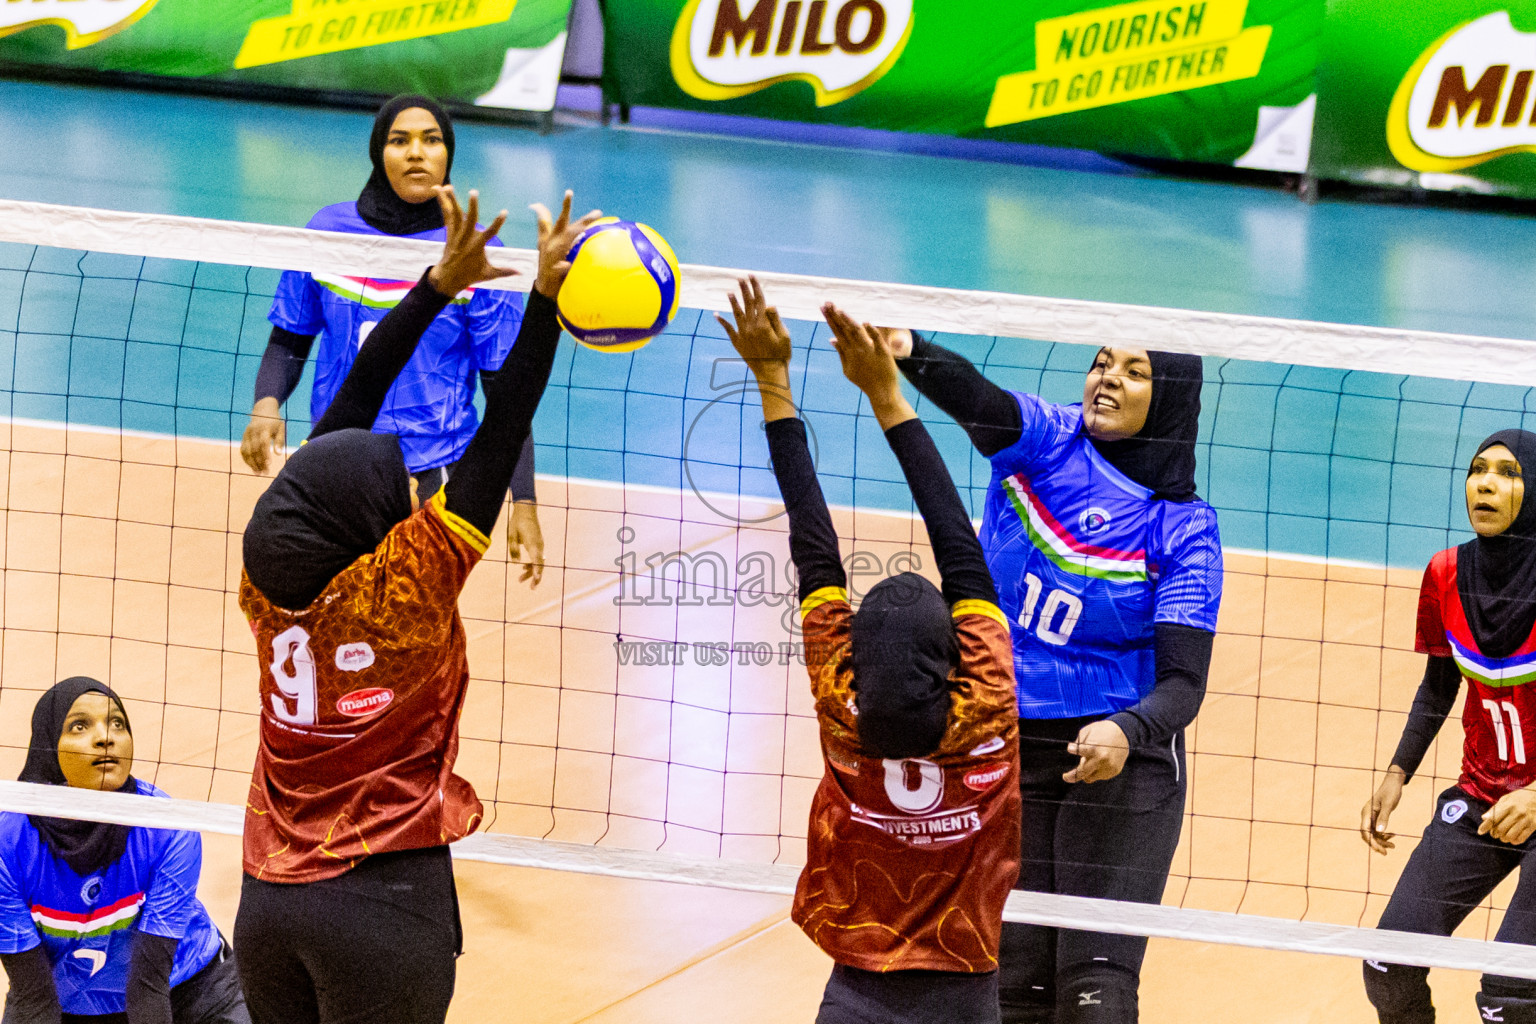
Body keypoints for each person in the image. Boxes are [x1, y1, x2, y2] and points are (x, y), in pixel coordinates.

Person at [231, 185, 598, 1024]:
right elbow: (503, 428)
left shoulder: (266, 583)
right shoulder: (408, 588)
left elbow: (344, 415)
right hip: (383, 902)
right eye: (393, 482)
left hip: (266, 900)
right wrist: (542, 300)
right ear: (365, 520)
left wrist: (435, 286)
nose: (406, 480)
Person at [885, 335, 1222, 1023]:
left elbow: (1184, 684)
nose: (1108, 379)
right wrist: (907, 348)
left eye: (1135, 372)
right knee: (1015, 988)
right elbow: (978, 401)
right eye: (1102, 363)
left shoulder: (1183, 527)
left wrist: (1127, 729)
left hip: (1120, 761)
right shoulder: (1048, 439)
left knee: (1094, 995)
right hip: (1010, 746)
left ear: (1171, 398)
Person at [719, 278, 1021, 1024]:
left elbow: (811, 550)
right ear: (954, 658)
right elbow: (960, 548)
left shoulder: (841, 706)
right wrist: (889, 397)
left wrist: (771, 381)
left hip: (855, 995)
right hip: (965, 994)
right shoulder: (984, 704)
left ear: (855, 661)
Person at [240, 94, 545, 586]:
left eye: (432, 140)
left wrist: (523, 500)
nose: (416, 153)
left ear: (448, 154)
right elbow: (289, 339)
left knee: (413, 622)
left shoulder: (476, 253)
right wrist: (267, 402)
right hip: (335, 464)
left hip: (430, 476)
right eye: (399, 141)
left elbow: (506, 395)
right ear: (378, 153)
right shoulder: (329, 232)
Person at [1361, 429, 1536, 1024]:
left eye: (1509, 473)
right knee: (1387, 963)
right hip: (1482, 795)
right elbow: (1440, 683)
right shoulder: (1444, 574)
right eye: (1477, 469)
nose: (1486, 482)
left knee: (1511, 996)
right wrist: (1397, 773)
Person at [0, 677, 248, 1024]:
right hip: (63, 1000)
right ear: (48, 745)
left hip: (190, 988)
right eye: (79, 726)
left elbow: (148, 990)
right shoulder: (7, 842)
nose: (106, 737)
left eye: (118, 723)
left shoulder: (167, 827)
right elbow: (34, 999)